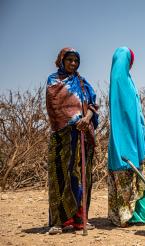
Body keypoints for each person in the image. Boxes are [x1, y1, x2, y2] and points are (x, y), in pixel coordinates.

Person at [46, 47, 99, 234]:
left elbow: (93, 104)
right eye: (69, 60)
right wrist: (75, 119)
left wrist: (87, 118)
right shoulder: (53, 81)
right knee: (61, 176)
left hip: (83, 136)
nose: (73, 64)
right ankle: (59, 221)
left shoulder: (83, 83)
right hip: (62, 138)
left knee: (82, 177)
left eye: (76, 61)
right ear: (62, 60)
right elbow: (54, 108)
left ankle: (80, 219)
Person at [107, 47, 145, 227]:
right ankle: (131, 215)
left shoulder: (125, 80)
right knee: (131, 174)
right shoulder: (121, 82)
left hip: (131, 137)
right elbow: (124, 116)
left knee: (134, 175)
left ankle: (126, 215)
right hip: (127, 138)